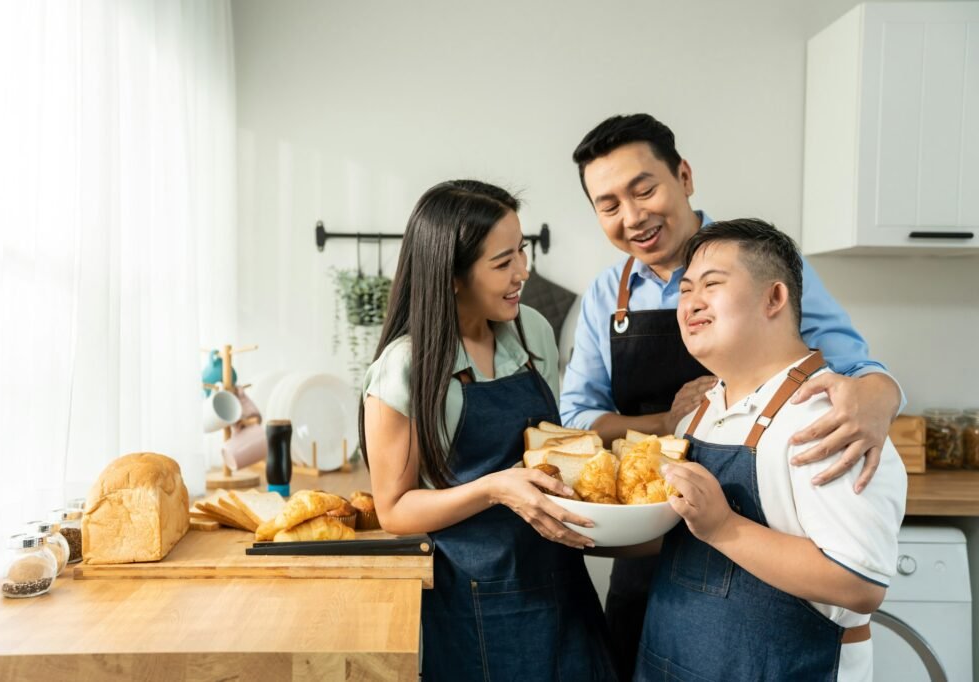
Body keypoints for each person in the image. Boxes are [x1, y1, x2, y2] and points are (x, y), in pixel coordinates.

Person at [561, 114, 905, 679]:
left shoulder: (762, 262)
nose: (633, 216)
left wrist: (881, 395)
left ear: (684, 176)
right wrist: (669, 424)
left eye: (644, 189)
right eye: (609, 204)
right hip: (665, 562)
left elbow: (857, 367)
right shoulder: (612, 299)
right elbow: (574, 417)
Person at [360, 179, 617, 681]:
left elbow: (553, 453)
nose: (523, 272)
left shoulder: (533, 330)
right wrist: (498, 488)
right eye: (503, 263)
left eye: (521, 251)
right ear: (452, 276)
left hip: (561, 584)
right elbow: (393, 509)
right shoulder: (405, 367)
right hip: (472, 597)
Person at [636, 218, 906, 680]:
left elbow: (859, 584)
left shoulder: (829, 417)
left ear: (775, 298)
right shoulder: (696, 414)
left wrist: (723, 527)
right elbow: (682, 537)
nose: (691, 303)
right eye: (685, 291)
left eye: (712, 285)